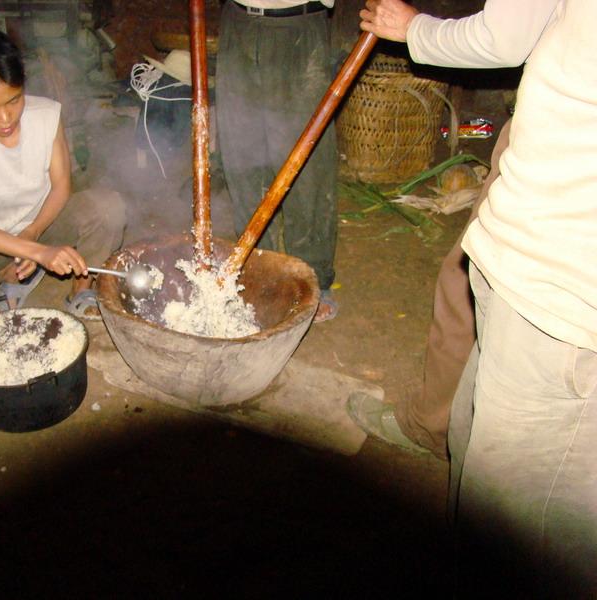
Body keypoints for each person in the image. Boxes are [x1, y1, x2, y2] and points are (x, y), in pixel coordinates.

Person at [359, 0, 597, 593]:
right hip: (526, 254)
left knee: (526, 520)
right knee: (476, 446)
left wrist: (414, 29)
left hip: (565, 295)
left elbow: (501, 36)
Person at [346, 0, 556, 459]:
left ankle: (438, 427)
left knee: (473, 277)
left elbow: (502, 37)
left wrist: (414, 29)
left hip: (565, 141)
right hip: (562, 127)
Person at [0, 30, 125, 322]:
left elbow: (61, 187)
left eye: (14, 100)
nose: (5, 118)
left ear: (22, 86)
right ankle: (6, 278)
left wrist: (34, 236)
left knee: (109, 207)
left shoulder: (47, 115)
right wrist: (34, 252)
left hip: (45, 224)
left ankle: (81, 289)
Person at [215, 0, 339, 321]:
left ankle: (310, 276)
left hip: (298, 28)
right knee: (241, 155)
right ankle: (260, 272)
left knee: (308, 164)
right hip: (238, 22)